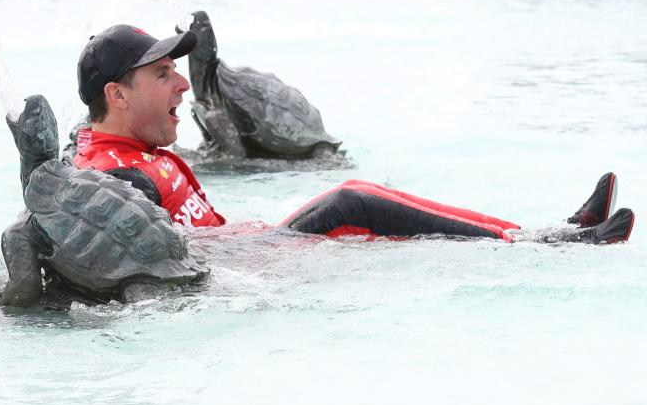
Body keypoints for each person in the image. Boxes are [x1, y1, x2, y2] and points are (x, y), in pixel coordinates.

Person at [71, 24, 635, 243]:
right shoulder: (105, 175)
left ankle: (541, 234)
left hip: (255, 249)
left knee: (363, 193)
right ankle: (543, 245)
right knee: (351, 199)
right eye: (163, 74)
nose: (182, 88)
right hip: (251, 266)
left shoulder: (125, 150)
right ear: (116, 95)